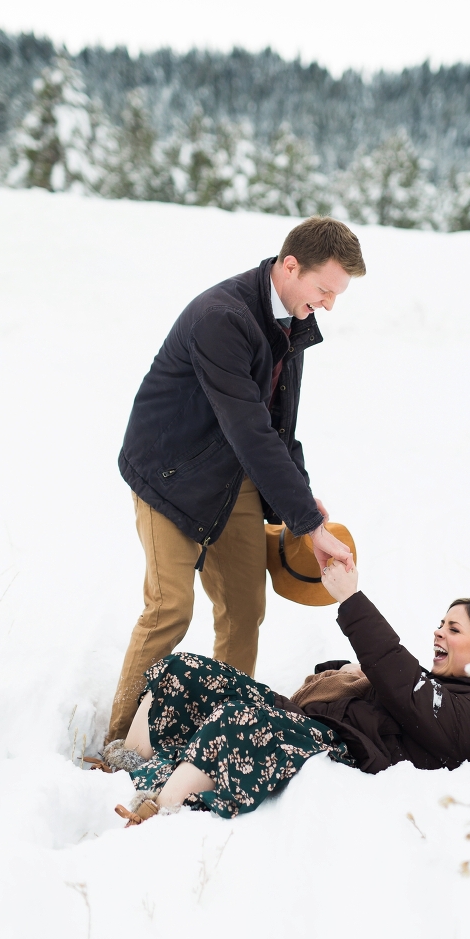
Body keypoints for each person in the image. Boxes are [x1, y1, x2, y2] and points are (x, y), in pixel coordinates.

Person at [106, 217, 366, 745]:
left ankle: (223, 733)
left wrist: (301, 493)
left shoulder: (291, 318)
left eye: (337, 295)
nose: (330, 305)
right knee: (170, 608)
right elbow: (248, 428)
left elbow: (276, 427)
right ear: (289, 266)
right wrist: (309, 523)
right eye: (324, 290)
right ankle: (116, 743)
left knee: (246, 609)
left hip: (234, 472)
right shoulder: (220, 317)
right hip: (170, 474)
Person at [98, 562, 470, 825]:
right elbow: (395, 681)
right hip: (307, 720)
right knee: (185, 669)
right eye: (440, 623)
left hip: (338, 747)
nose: (438, 632)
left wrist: (351, 598)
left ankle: (159, 810)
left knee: (240, 716)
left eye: (453, 628)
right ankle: (125, 762)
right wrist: (347, 672)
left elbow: (406, 687)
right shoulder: (432, 684)